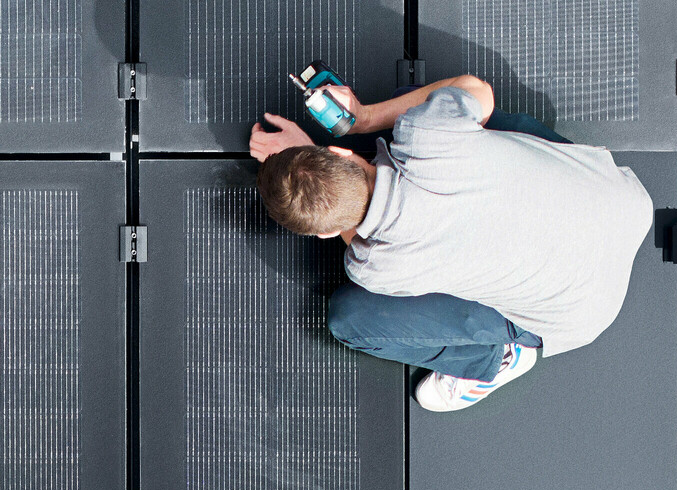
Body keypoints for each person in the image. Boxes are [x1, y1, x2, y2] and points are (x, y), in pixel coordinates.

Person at [247, 74, 656, 413]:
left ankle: (496, 359)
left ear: (322, 232)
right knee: (423, 105)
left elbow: (358, 232)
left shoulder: (374, 267)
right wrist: (361, 119)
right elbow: (478, 91)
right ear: (339, 151)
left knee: (349, 318)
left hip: (579, 310)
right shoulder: (425, 133)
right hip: (623, 200)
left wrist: (311, 173)